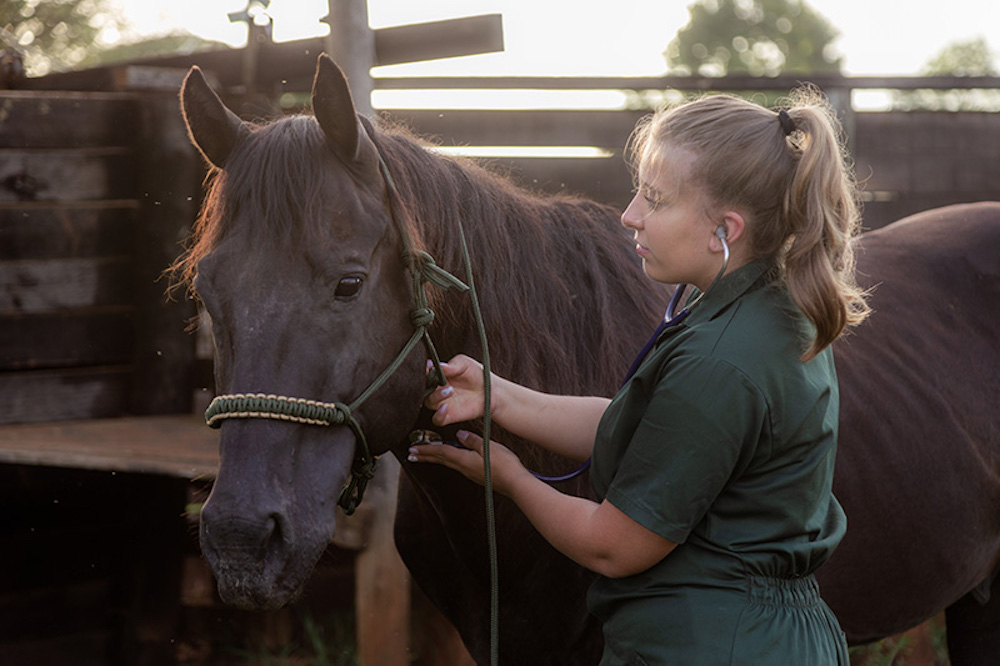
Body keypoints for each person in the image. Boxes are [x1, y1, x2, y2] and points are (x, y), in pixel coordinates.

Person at [408, 87, 870, 665]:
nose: (630, 215)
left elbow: (612, 546)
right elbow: (652, 430)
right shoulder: (768, 309)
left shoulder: (719, 362)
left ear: (723, 232)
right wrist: (499, 398)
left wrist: (512, 478)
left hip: (711, 647)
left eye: (655, 199)